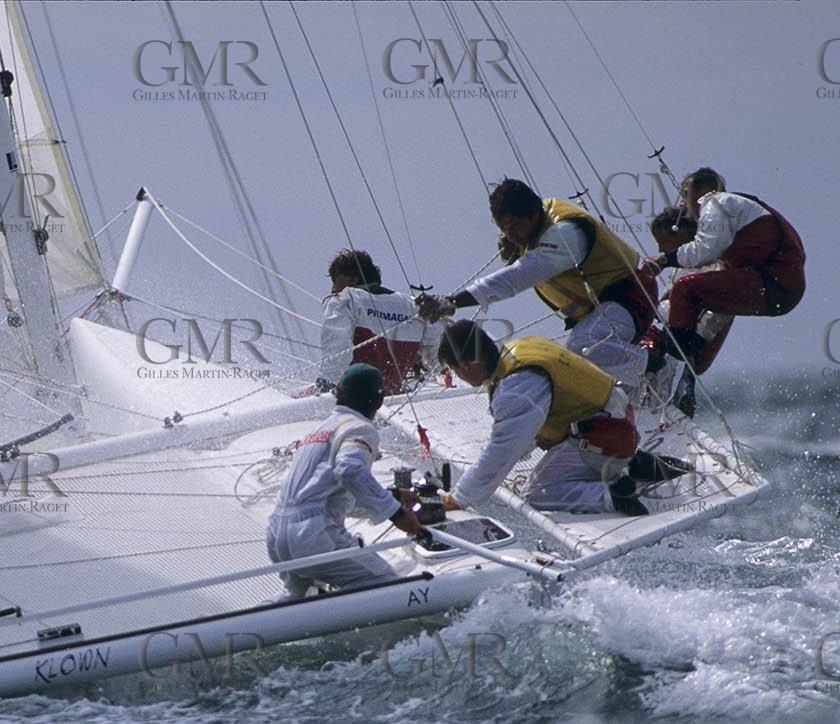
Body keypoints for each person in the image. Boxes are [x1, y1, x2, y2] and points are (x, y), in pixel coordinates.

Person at [416, 178, 656, 390]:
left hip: (630, 296)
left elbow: (518, 277)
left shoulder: (565, 233)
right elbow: (526, 257)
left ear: (533, 213)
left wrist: (454, 301)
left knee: (583, 347)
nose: (511, 236)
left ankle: (658, 369)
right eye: (504, 230)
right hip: (603, 308)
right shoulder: (537, 228)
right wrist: (520, 245)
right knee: (581, 357)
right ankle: (639, 382)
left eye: (515, 227)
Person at [433, 321, 653, 517]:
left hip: (603, 435)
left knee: (535, 494)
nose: (458, 376)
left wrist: (460, 498)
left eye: (454, 370)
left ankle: (614, 494)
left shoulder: (517, 386)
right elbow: (523, 433)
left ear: (465, 364)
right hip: (613, 423)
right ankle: (629, 464)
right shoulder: (520, 349)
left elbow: (503, 450)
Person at [267, 363, 425, 597]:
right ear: (378, 402)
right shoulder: (359, 428)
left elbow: (328, 493)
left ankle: (239, 631)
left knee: (294, 599)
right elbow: (350, 471)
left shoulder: (318, 431)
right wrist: (397, 514)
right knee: (385, 583)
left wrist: (394, 495)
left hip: (277, 535)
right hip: (313, 535)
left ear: (338, 394)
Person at [641, 167, 804, 374]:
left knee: (685, 289)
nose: (682, 205)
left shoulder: (717, 202)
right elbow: (717, 299)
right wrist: (694, 341)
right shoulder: (735, 222)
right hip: (780, 292)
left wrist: (663, 261)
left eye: (685, 195)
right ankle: (681, 368)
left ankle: (674, 369)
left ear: (705, 191)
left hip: (773, 283)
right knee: (689, 293)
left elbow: (705, 250)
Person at [640, 206, 734, 416]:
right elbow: (665, 302)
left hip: (685, 346)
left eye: (663, 241)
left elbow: (717, 312)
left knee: (675, 407)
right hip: (667, 341)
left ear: (682, 233)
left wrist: (697, 343)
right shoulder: (683, 265)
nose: (661, 249)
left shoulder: (712, 264)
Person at [320, 249, 440, 394]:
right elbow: (437, 355)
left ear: (352, 279)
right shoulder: (415, 306)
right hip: (391, 399)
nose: (333, 288)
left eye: (335, 280)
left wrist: (327, 384)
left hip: (353, 397)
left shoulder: (344, 300)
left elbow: (337, 346)